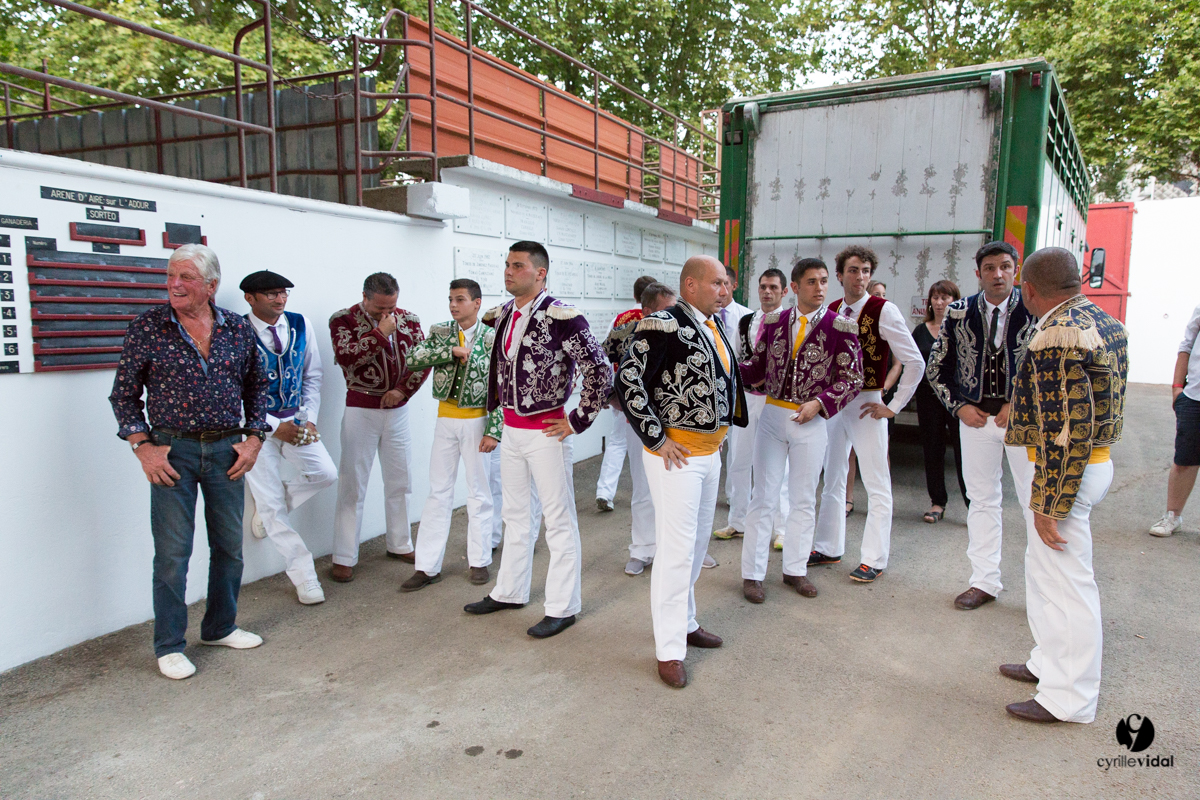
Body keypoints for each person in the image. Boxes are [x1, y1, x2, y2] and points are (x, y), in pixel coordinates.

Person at [109, 244, 268, 680]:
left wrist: (253, 439)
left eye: (186, 278)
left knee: (229, 548)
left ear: (211, 286)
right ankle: (169, 645)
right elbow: (123, 395)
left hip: (226, 451)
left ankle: (220, 626)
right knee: (173, 554)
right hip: (171, 452)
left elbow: (257, 388)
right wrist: (143, 446)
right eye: (171, 277)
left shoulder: (236, 329)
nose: (174, 285)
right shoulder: (148, 327)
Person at [999, 246, 1128, 724]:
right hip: (1095, 462)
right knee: (1045, 574)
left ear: (1029, 289)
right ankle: (1047, 664)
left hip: (1066, 473)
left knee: (1068, 584)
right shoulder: (1104, 320)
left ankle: (1069, 698)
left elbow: (1066, 429)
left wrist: (1050, 499)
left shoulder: (1056, 334)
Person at [464, 241, 610, 639]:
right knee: (514, 515)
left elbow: (599, 368)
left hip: (547, 433)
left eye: (518, 266)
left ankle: (564, 607)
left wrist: (577, 420)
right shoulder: (502, 314)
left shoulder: (562, 316)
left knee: (558, 521)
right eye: (507, 265)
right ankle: (510, 591)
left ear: (540, 273)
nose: (508, 271)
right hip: (511, 430)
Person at [616, 255, 748, 688]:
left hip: (710, 454)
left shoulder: (714, 325)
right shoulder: (662, 325)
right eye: (718, 283)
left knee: (694, 546)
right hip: (677, 456)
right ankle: (669, 648)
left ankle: (687, 622)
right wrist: (655, 438)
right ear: (690, 285)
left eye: (726, 283)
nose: (725, 291)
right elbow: (629, 381)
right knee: (675, 551)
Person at [738, 258, 862, 603]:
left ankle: (795, 569)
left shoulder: (841, 326)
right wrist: (727, 371)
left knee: (804, 498)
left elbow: (852, 379)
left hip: (812, 420)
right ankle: (752, 573)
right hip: (775, 415)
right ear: (794, 287)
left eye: (823, 281)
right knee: (762, 495)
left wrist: (821, 403)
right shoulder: (775, 320)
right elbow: (757, 366)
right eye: (811, 281)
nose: (820, 287)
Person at [927, 242, 1038, 610]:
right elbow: (936, 368)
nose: (997, 274)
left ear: (1016, 269)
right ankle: (984, 581)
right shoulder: (959, 312)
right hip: (974, 421)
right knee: (982, 500)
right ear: (978, 273)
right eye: (989, 268)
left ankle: (1042, 588)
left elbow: (1047, 368)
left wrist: (1017, 401)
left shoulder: (1036, 309)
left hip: (1021, 421)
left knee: (1032, 501)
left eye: (1005, 267)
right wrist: (959, 407)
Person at [812, 245, 924, 582]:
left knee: (876, 481)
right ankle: (829, 547)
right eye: (853, 270)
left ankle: (874, 557)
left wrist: (893, 406)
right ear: (840, 275)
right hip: (835, 403)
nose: (859, 277)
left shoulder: (882, 310)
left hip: (866, 402)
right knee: (832, 477)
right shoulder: (830, 309)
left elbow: (915, 361)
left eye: (865, 271)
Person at [240, 269, 338, 606]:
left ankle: (271, 504)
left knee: (326, 474)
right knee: (272, 511)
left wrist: (308, 418)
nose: (280, 299)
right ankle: (304, 575)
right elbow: (231, 394)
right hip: (254, 430)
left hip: (295, 423)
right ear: (250, 299)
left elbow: (313, 374)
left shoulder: (300, 324)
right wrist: (270, 425)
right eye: (271, 294)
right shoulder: (236, 331)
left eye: (283, 293)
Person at [401, 279, 504, 592]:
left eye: (460, 299)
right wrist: (451, 350)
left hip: (477, 421)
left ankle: (479, 560)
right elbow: (412, 358)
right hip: (445, 419)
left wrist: (494, 430)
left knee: (479, 492)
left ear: (477, 303)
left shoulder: (493, 337)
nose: (453, 305)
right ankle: (427, 566)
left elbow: (503, 386)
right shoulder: (442, 331)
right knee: (439, 492)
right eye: (450, 299)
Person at [328, 273, 429, 583]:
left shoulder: (409, 319)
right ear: (365, 297)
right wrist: (381, 333)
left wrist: (403, 391)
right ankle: (344, 555)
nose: (387, 314)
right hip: (361, 409)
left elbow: (423, 359)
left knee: (400, 479)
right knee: (353, 483)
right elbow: (347, 358)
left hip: (397, 410)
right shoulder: (342, 320)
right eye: (379, 308)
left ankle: (399, 543)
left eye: (392, 307)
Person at [603, 282, 676, 576]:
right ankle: (643, 549)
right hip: (642, 420)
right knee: (644, 485)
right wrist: (613, 397)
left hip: (680, 422)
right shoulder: (624, 331)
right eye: (666, 309)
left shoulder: (684, 330)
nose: (673, 315)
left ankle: (684, 550)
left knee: (682, 488)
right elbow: (602, 362)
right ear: (646, 311)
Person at [714, 267, 790, 545]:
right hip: (747, 400)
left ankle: (781, 528)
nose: (767, 292)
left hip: (776, 402)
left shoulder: (790, 322)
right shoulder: (746, 322)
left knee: (778, 467)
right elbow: (734, 361)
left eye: (772, 287)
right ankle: (738, 520)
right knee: (739, 460)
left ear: (784, 291)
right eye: (762, 287)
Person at [595, 274, 658, 513]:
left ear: (634, 294)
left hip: (619, 391)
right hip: (642, 392)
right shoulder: (657, 318)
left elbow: (605, 353)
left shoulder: (619, 319)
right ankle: (645, 490)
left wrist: (609, 392)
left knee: (617, 439)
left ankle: (605, 490)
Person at [912, 280, 968, 525]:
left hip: (957, 401)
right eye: (935, 297)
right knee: (932, 450)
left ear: (955, 301)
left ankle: (973, 505)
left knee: (964, 453)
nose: (939, 302)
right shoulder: (920, 331)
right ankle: (937, 502)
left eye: (945, 297)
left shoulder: (964, 329)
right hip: (928, 399)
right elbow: (912, 365)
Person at [1148, 300, 1200, 536]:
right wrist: (1177, 388)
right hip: (1194, 396)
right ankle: (1172, 516)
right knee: (1184, 460)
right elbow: (1187, 345)